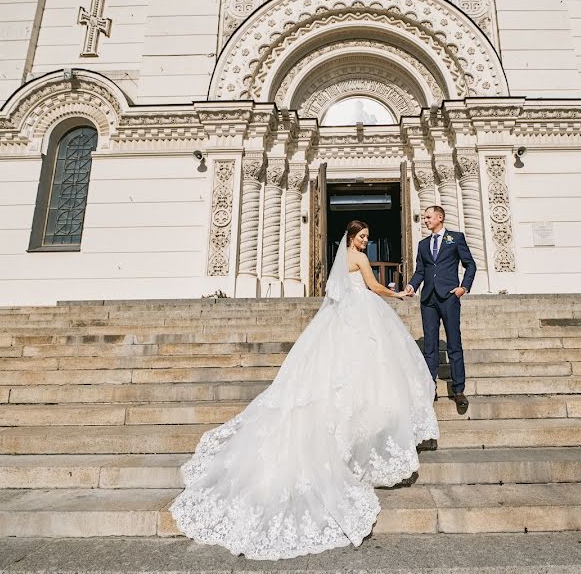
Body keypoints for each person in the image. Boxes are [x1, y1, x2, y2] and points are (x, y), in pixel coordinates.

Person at [170, 220, 439, 560]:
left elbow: (339, 291)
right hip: (363, 315)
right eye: (362, 237)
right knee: (369, 370)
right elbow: (372, 286)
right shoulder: (359, 260)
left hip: (343, 318)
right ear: (351, 238)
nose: (366, 242)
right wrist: (398, 292)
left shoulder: (341, 261)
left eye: (368, 238)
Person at [405, 206, 476, 409]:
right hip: (428, 299)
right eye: (425, 217)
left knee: (454, 343)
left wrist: (464, 287)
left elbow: (470, 264)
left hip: (449, 297)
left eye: (428, 217)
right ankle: (430, 387)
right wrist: (412, 285)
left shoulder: (456, 238)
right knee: (430, 345)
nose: (425, 220)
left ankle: (459, 390)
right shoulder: (423, 244)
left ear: (440, 217)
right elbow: (421, 270)